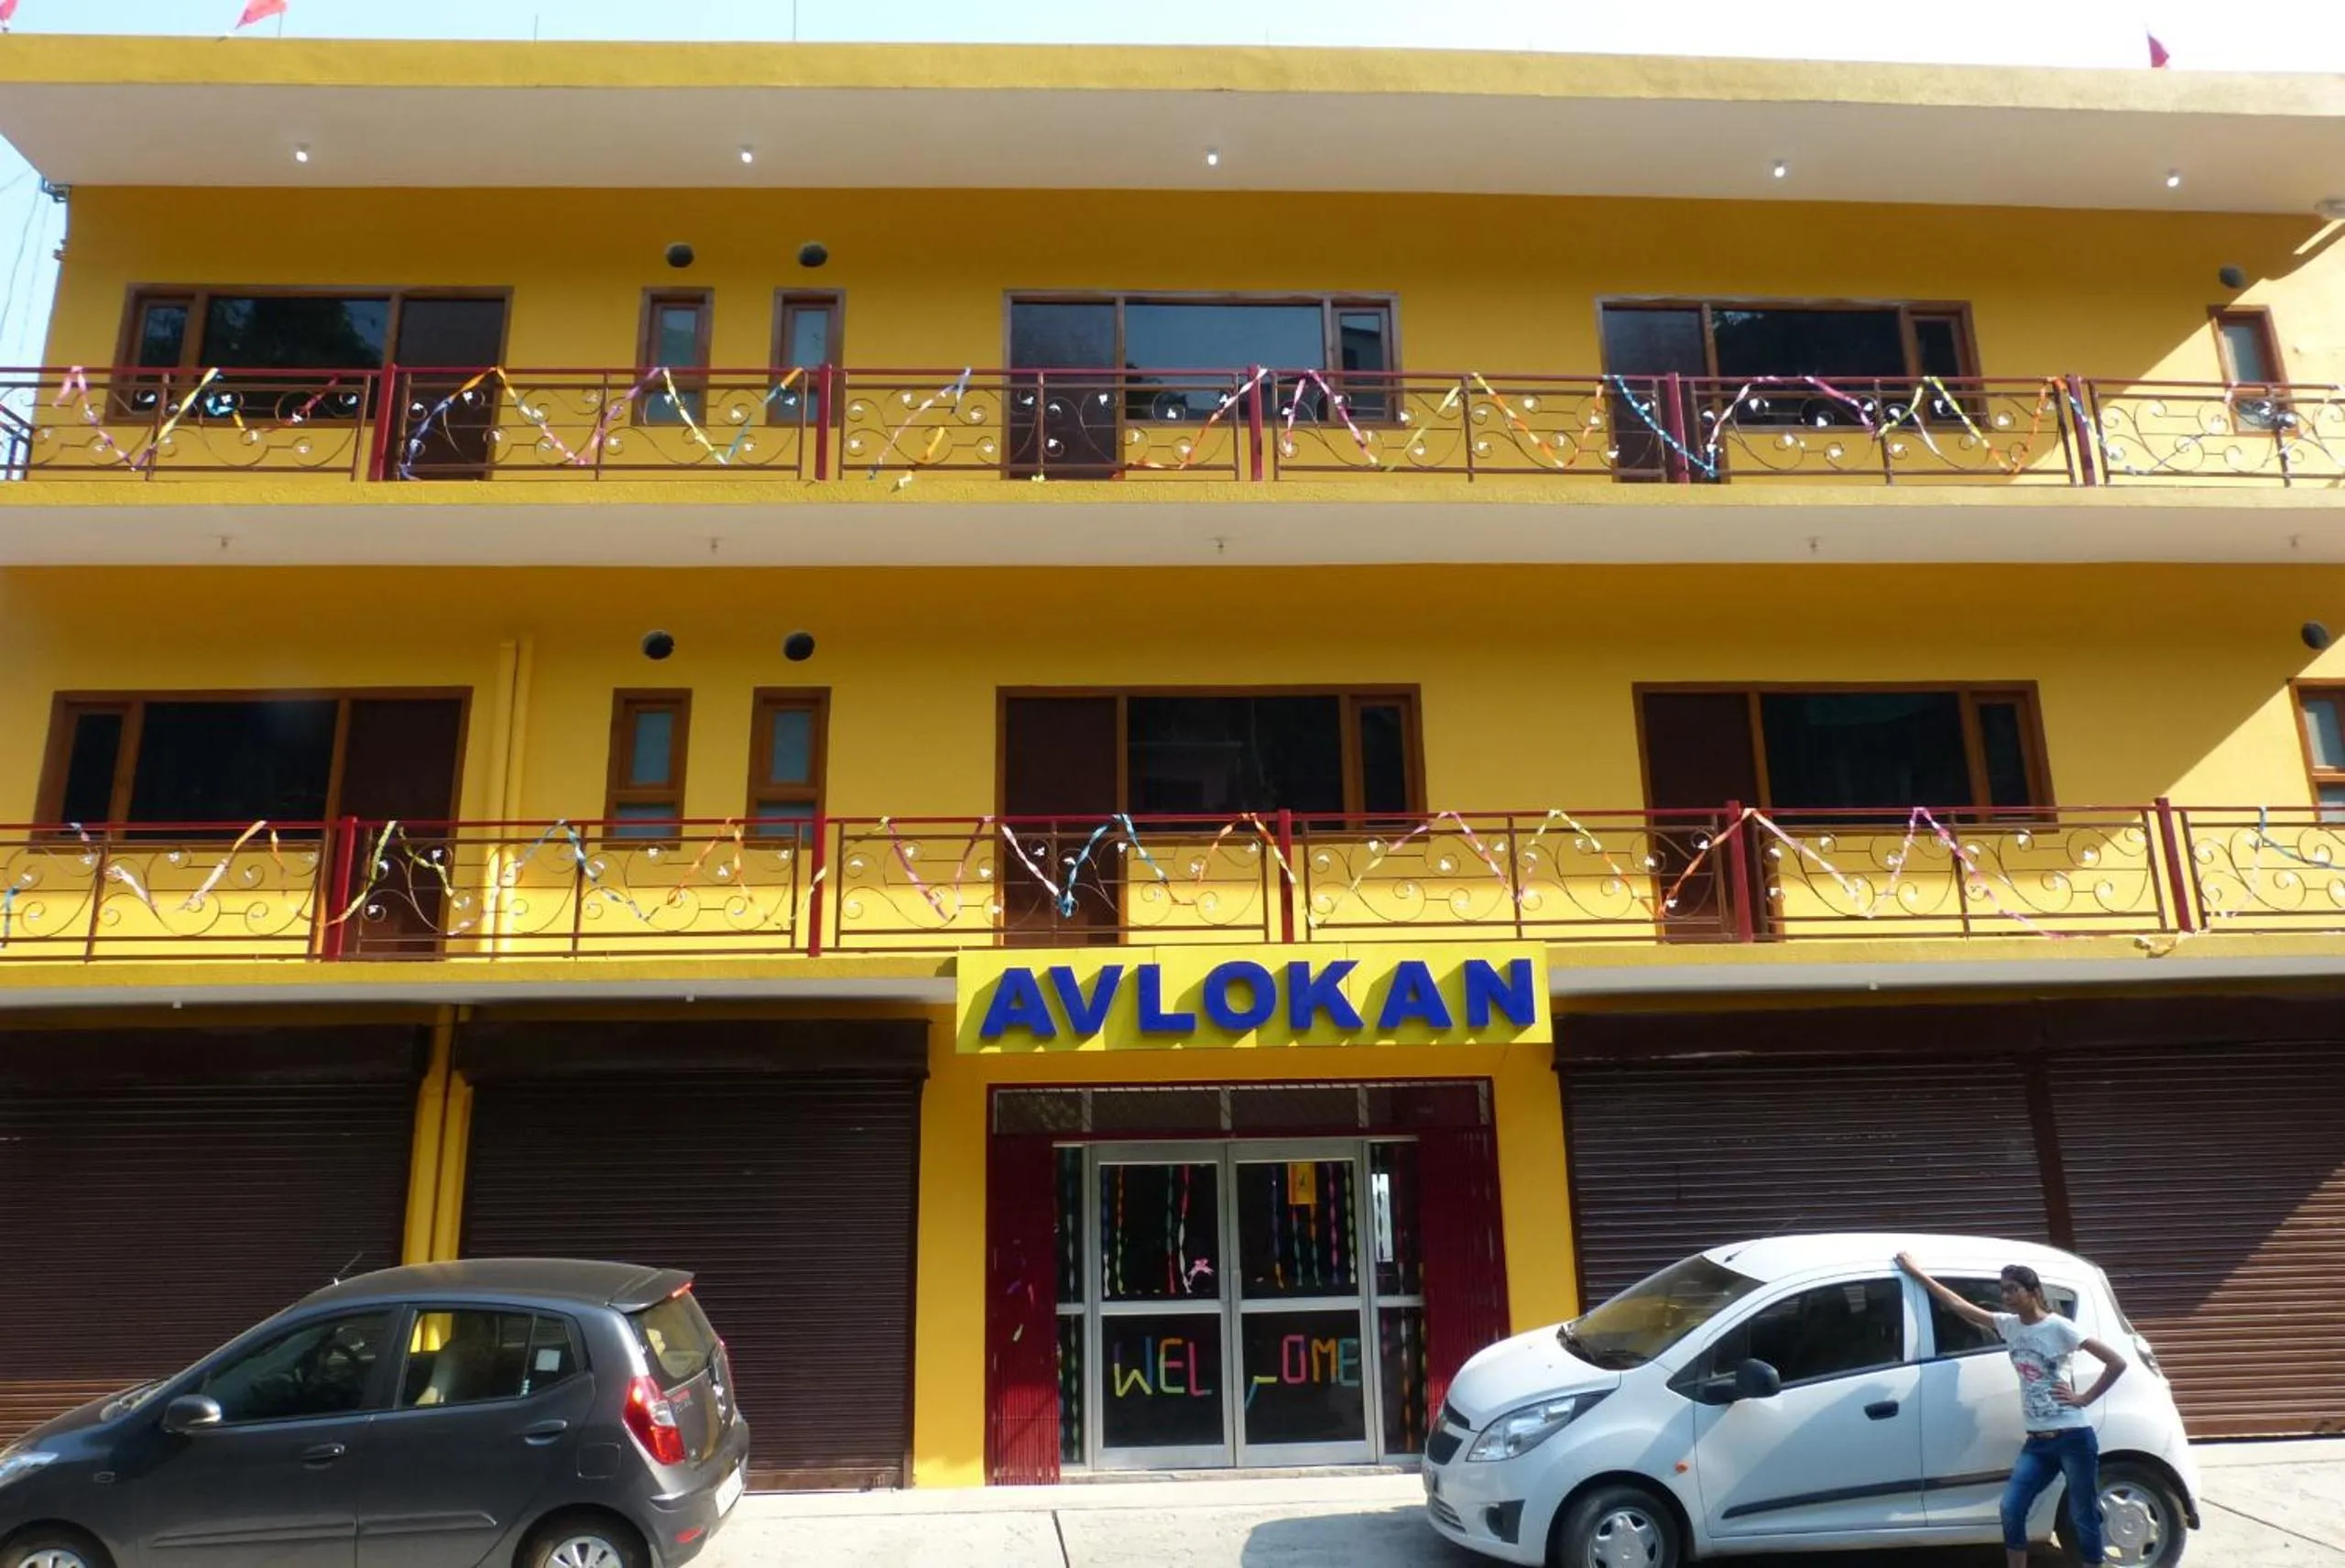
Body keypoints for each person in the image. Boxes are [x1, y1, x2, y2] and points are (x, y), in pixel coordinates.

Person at [1896, 1251, 2128, 1566]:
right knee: (2012, 1508)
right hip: (2037, 1442)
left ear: (2032, 1292)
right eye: (2003, 1290)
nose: (2005, 1296)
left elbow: (2116, 1362)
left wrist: (2083, 1398)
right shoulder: (2008, 1326)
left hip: (2072, 1436)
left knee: (2081, 1512)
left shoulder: (2060, 1328)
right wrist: (1916, 1273)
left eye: (2012, 1290)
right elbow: (1960, 1306)